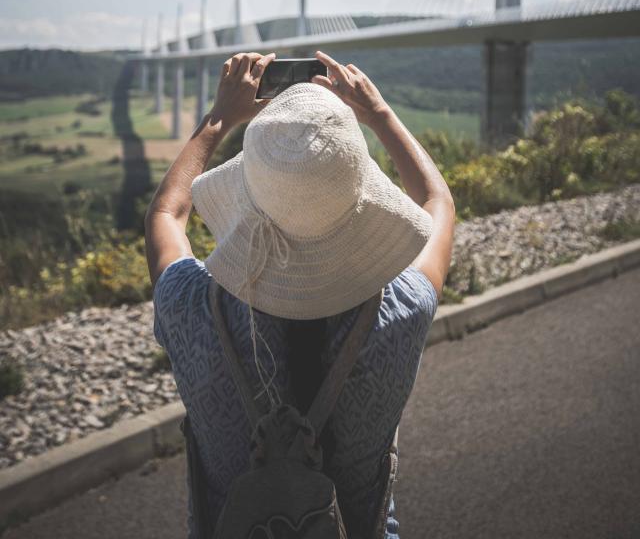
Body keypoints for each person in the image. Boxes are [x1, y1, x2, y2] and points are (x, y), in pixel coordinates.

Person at [145, 49, 455, 538]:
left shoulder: (194, 311)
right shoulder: (402, 311)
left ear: (250, 200)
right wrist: (378, 113)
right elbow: (437, 204)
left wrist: (218, 118)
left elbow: (166, 214)